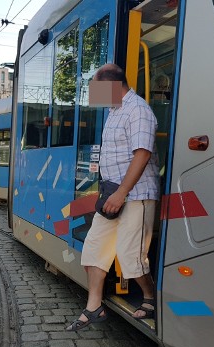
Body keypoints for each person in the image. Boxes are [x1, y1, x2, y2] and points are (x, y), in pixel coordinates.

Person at [66, 63, 160, 332]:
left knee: (131, 258)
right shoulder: (114, 110)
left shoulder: (138, 110)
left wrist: (121, 193)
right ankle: (93, 307)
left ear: (113, 86)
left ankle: (151, 297)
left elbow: (142, 154)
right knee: (93, 250)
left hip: (135, 195)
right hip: (113, 194)